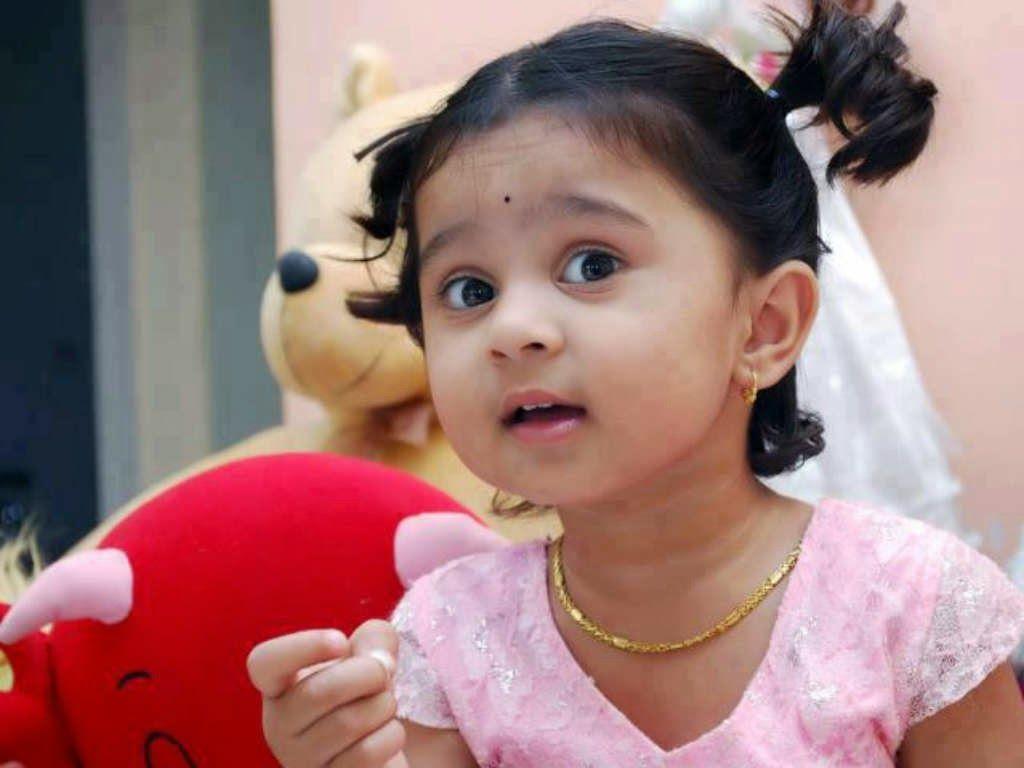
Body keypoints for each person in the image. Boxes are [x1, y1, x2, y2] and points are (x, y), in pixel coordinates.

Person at [245, 2, 1024, 765]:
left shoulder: (915, 610)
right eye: (469, 289)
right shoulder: (446, 640)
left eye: (592, 265)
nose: (514, 328)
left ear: (764, 326)